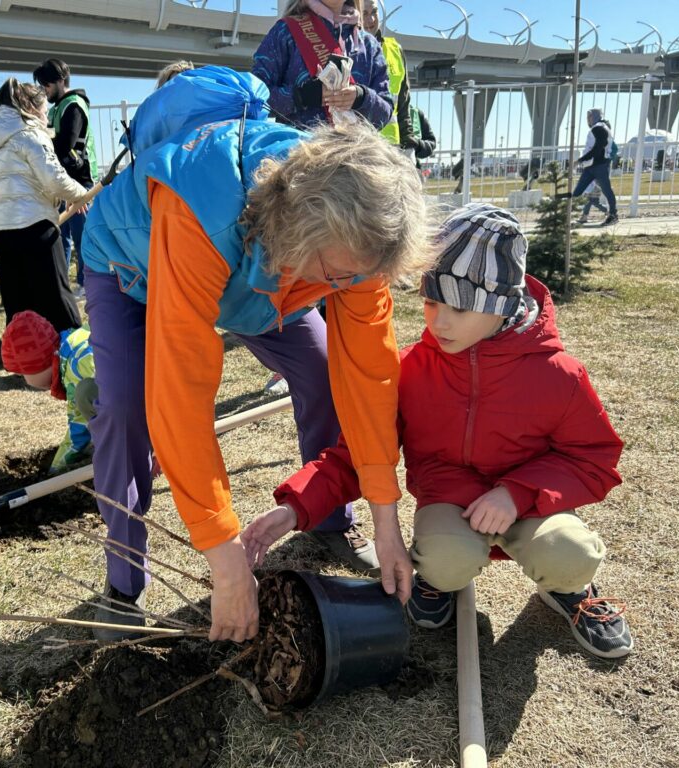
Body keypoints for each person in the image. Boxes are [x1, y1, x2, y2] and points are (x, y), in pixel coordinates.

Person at [80, 67, 431, 643]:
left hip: (266, 278)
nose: (351, 287)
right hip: (133, 267)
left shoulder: (355, 235)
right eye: (340, 276)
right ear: (302, 230)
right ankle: (124, 582)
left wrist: (385, 515)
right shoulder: (202, 202)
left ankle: (328, 514)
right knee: (125, 407)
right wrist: (225, 558)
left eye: (357, 278)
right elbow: (182, 393)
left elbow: (369, 375)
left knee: (320, 369)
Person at [244, 204, 633, 660]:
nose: (439, 322)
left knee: (569, 552)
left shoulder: (558, 375)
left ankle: (571, 589)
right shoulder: (410, 370)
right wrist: (294, 508)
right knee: (447, 561)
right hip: (450, 503)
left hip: (529, 506)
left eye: (460, 308)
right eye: (432, 301)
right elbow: (356, 457)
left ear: (502, 304)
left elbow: (593, 458)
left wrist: (516, 493)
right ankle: (437, 578)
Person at [0, 78, 88, 331]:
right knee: (57, 296)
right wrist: (81, 194)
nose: (46, 116)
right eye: (42, 110)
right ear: (29, 107)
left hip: (0, 228)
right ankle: (70, 355)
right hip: (33, 226)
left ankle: (26, 363)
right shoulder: (30, 133)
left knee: (18, 302)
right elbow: (54, 178)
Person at [252, 0, 393, 131]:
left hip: (355, 155)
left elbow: (385, 114)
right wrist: (302, 96)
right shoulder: (285, 32)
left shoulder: (369, 45)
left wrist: (361, 97)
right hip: (298, 153)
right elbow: (252, 99)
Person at [1, 310, 98, 475]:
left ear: (37, 364)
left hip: (143, 398)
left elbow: (79, 429)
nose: (25, 380)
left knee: (87, 397)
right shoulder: (75, 344)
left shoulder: (75, 369)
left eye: (21, 373)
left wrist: (55, 470)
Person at [33, 59, 97, 295]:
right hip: (61, 180)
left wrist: (43, 135)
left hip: (80, 182)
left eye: (46, 84)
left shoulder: (73, 105)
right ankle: (60, 284)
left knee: (82, 238)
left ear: (61, 80)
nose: (44, 90)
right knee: (61, 238)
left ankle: (85, 283)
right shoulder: (57, 108)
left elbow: (65, 145)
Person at [360, 0, 414, 147]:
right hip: (359, 145)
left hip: (390, 146)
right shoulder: (346, 48)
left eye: (374, 12)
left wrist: (408, 141)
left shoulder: (395, 49)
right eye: (364, 13)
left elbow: (404, 102)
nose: (370, 20)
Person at [571, 108, 618, 226]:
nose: (588, 120)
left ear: (596, 116)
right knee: (577, 192)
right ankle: (566, 216)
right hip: (591, 166)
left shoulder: (599, 127)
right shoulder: (597, 128)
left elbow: (598, 148)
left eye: (590, 117)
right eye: (587, 117)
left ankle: (613, 215)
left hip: (600, 166)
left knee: (606, 190)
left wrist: (580, 160)